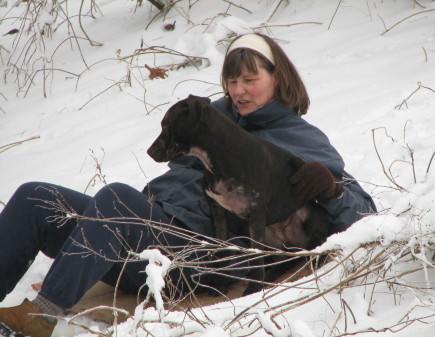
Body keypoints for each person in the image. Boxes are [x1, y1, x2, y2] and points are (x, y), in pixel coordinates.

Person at [0, 33, 376, 337]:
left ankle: (41, 318)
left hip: (199, 258)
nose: (239, 91)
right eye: (232, 81)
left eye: (251, 80)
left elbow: (365, 215)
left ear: (278, 79)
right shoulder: (209, 118)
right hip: (149, 235)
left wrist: (332, 190)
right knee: (36, 197)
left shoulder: (298, 137)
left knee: (116, 197)